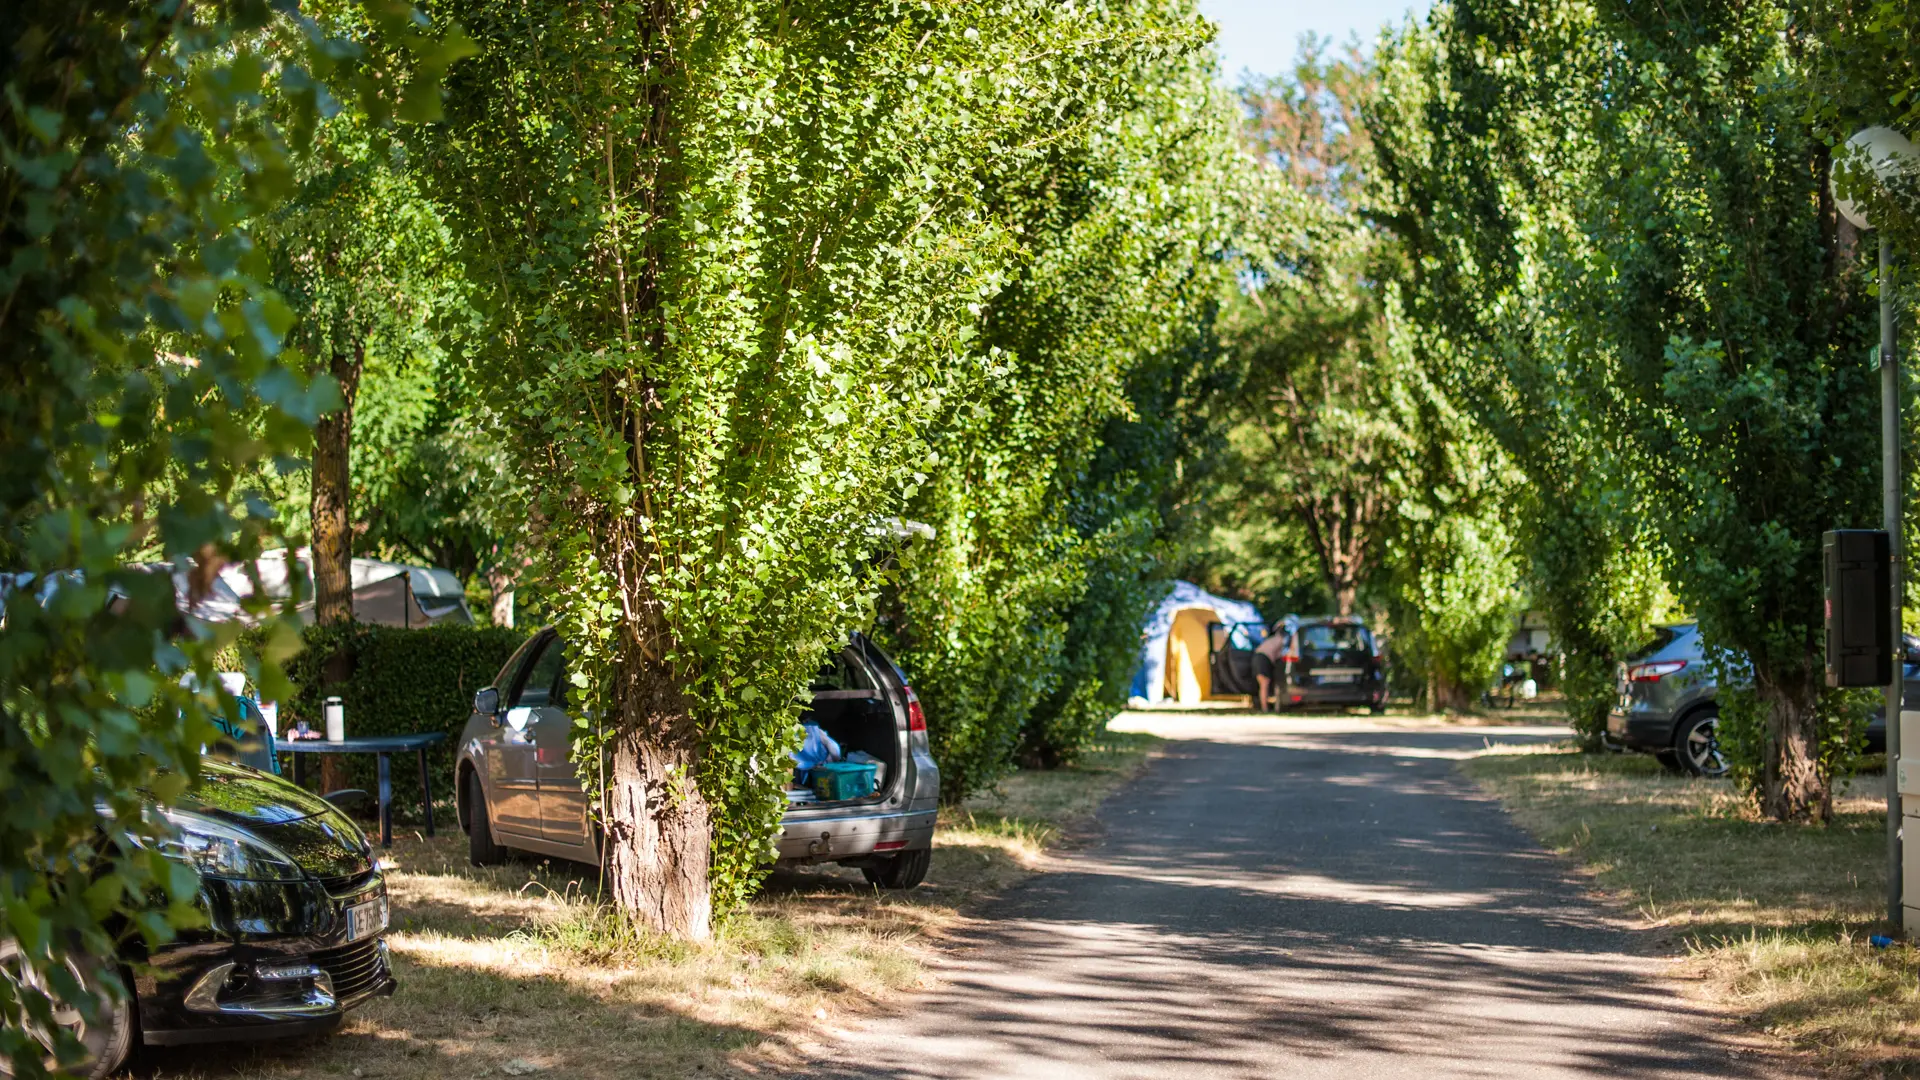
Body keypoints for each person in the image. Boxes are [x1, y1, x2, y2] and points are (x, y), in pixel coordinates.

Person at [1252, 625, 1289, 713]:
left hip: (1257, 657)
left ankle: (1264, 707)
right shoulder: (1282, 640)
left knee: (1262, 685)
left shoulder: (1272, 639)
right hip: (1263, 659)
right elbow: (1283, 655)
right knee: (1264, 684)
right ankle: (1265, 709)